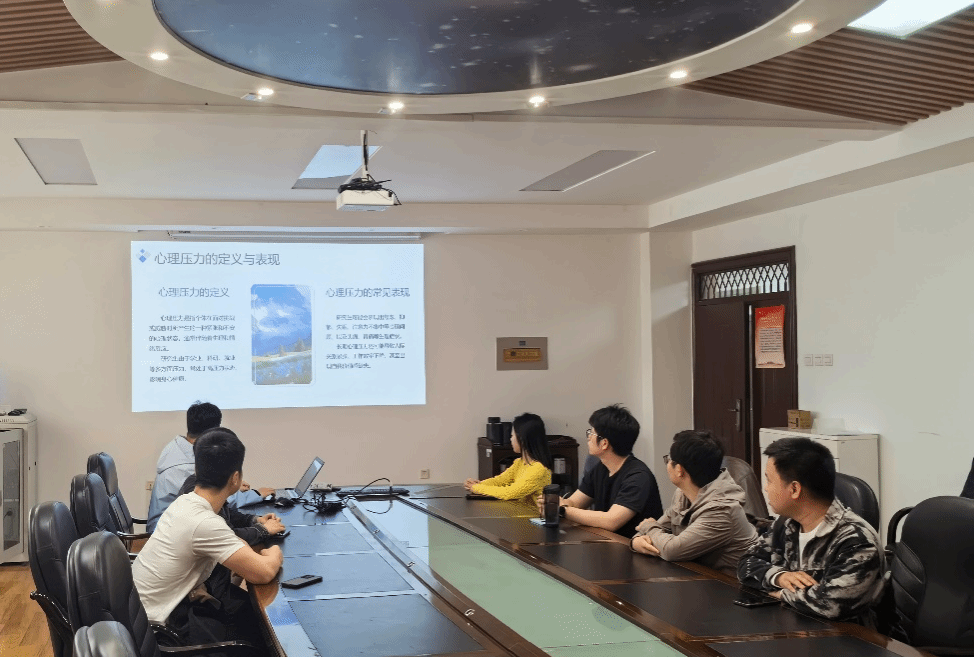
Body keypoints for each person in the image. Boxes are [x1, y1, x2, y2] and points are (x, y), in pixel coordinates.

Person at [132, 428, 283, 645]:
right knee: (261, 634)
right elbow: (264, 572)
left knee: (249, 613)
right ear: (236, 478)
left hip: (143, 617)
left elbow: (234, 543)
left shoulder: (186, 502)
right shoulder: (204, 522)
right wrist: (274, 551)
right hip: (162, 632)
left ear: (197, 469)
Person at [738, 437, 884, 624]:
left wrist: (782, 594)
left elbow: (831, 603)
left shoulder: (857, 540)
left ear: (794, 489)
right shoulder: (785, 525)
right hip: (794, 626)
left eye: (769, 480)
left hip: (850, 638)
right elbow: (746, 564)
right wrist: (779, 577)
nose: (766, 489)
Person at [630, 430, 758, 576]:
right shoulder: (683, 494)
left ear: (679, 470)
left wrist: (648, 527)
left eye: (669, 460)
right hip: (697, 577)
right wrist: (636, 542)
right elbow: (655, 530)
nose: (667, 464)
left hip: (731, 585)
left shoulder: (722, 510)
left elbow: (671, 550)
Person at [537, 404, 662, 538]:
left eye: (591, 433)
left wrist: (561, 510)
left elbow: (611, 521)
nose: (588, 437)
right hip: (606, 542)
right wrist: (552, 504)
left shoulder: (638, 476)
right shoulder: (601, 468)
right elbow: (575, 503)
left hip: (633, 546)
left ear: (604, 443)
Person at [147, 402, 273, 531]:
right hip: (166, 530)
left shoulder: (176, 448)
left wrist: (231, 484)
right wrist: (255, 494)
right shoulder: (185, 467)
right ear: (213, 433)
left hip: (172, 525)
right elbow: (213, 499)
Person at [464, 413, 552, 503]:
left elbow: (510, 493)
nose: (511, 439)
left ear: (522, 438)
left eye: (512, 436)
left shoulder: (538, 469)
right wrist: (477, 484)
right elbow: (500, 481)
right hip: (517, 509)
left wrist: (476, 488)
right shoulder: (519, 463)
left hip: (531, 512)